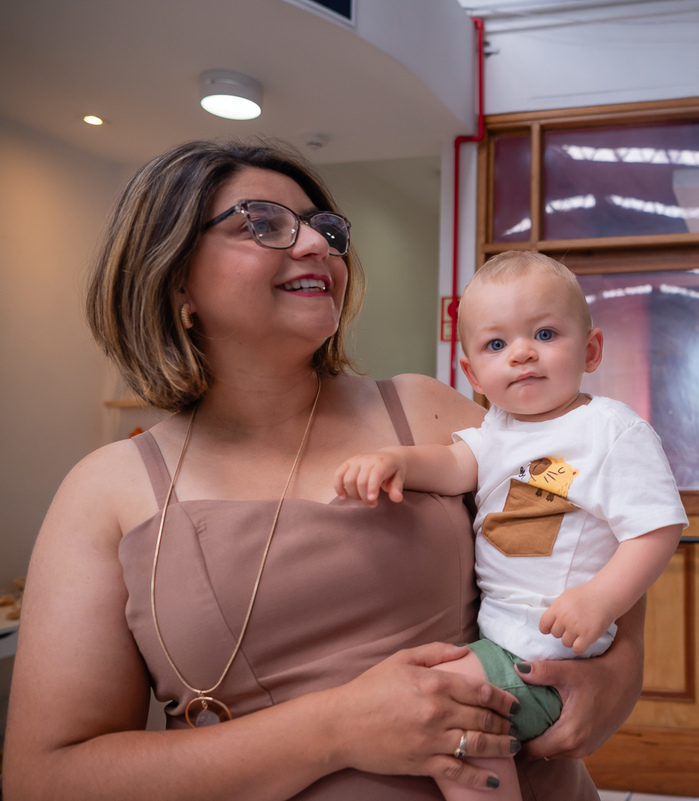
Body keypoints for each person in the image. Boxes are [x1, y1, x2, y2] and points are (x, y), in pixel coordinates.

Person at [1, 140, 648, 801]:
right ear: (175, 280)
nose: (316, 244)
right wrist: (334, 727)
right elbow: (44, 778)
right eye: (261, 222)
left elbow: (591, 527)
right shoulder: (105, 491)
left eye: (324, 227)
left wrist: (621, 669)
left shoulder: (426, 413)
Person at [334, 251, 688, 801]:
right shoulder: (498, 429)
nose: (522, 353)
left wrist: (601, 598)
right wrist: (397, 460)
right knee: (468, 732)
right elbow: (454, 467)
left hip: (552, 650)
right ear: (473, 373)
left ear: (590, 350)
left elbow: (656, 529)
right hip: (502, 636)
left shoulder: (608, 429)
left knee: (445, 711)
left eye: (545, 333)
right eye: (497, 345)